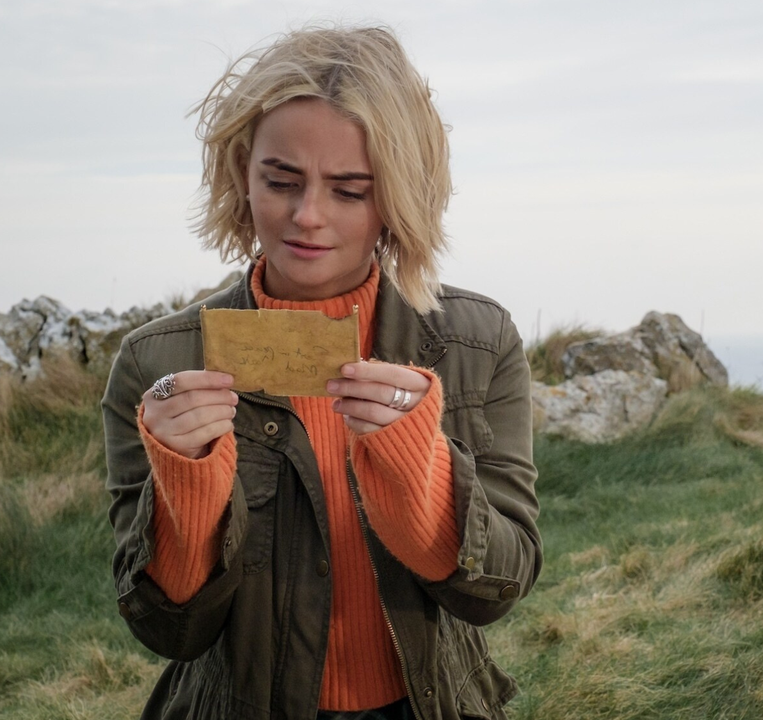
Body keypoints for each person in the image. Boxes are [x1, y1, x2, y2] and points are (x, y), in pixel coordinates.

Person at [101, 25, 540, 720]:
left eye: (350, 191)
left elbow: (500, 587)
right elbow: (168, 631)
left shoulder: (476, 344)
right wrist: (185, 484)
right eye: (282, 180)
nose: (308, 217)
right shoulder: (157, 362)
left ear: (397, 197)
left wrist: (418, 466)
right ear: (243, 171)